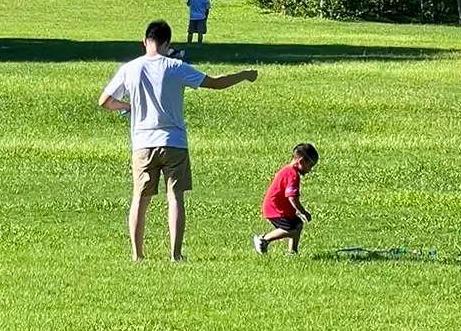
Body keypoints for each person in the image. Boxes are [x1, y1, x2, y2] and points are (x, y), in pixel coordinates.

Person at [98, 20, 258, 261]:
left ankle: (137, 255)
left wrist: (130, 107)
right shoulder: (176, 66)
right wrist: (244, 75)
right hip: (174, 141)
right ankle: (175, 254)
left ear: (145, 42)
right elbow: (214, 83)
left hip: (142, 142)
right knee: (175, 197)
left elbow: (105, 101)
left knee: (140, 199)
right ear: (167, 43)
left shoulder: (130, 69)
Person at [254, 144, 319, 256]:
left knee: (298, 225)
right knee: (291, 231)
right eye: (310, 166)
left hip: (280, 209)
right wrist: (303, 212)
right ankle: (263, 240)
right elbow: (292, 198)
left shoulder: (287, 170)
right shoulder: (292, 175)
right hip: (275, 209)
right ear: (301, 162)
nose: (310, 170)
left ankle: (292, 252)